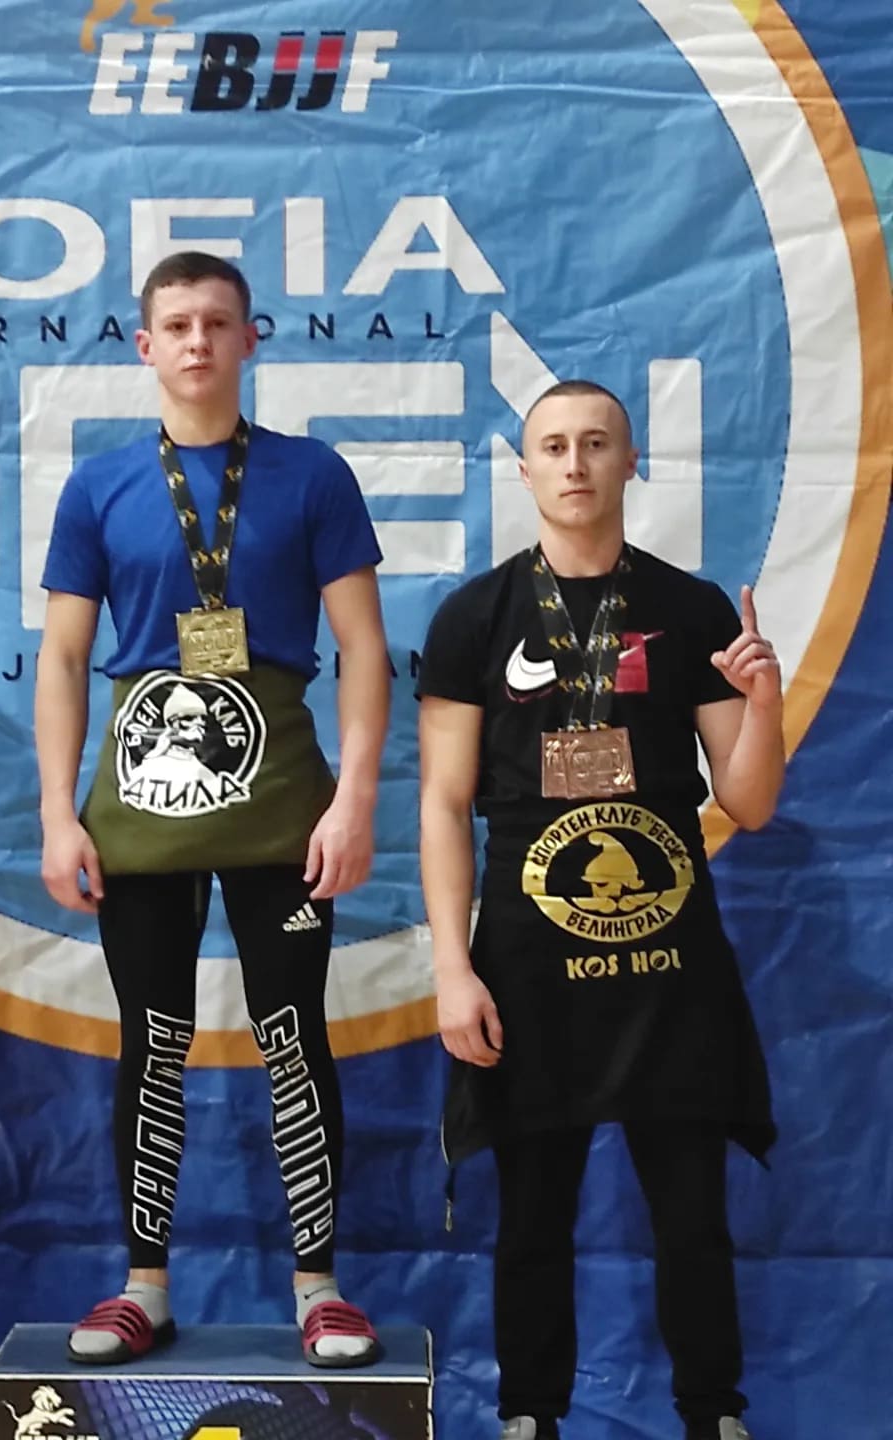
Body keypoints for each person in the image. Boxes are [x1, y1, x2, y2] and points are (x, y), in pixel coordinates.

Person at [35, 252, 390, 1368]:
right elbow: (62, 660)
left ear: (250, 339)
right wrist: (57, 813)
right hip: (139, 807)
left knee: (293, 1035)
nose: (197, 341)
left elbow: (365, 649)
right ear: (145, 346)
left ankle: (319, 1285)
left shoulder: (312, 474)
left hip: (286, 803)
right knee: (154, 1040)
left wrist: (355, 799)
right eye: (177, 324)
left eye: (217, 322)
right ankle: (142, 1286)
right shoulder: (98, 485)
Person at [417, 381, 779, 1440]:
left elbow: (750, 801)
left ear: (631, 461)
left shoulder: (692, 609)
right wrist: (452, 968)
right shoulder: (473, 618)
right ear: (523, 468)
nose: (574, 464)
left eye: (595, 444)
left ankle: (713, 1415)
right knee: (533, 1218)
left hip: (671, 964)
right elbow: (442, 803)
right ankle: (530, 1416)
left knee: (692, 1217)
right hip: (528, 963)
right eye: (553, 446)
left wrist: (765, 702)